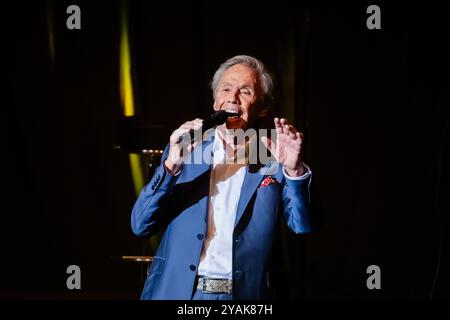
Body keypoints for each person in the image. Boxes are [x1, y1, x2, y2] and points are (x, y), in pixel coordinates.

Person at [131, 55, 313, 300]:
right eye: (226, 89)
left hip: (247, 296)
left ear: (263, 107)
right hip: (182, 293)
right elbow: (141, 224)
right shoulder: (187, 150)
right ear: (216, 102)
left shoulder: (274, 155)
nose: (232, 97)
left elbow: (302, 225)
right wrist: (170, 165)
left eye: (246, 91)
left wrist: (294, 170)